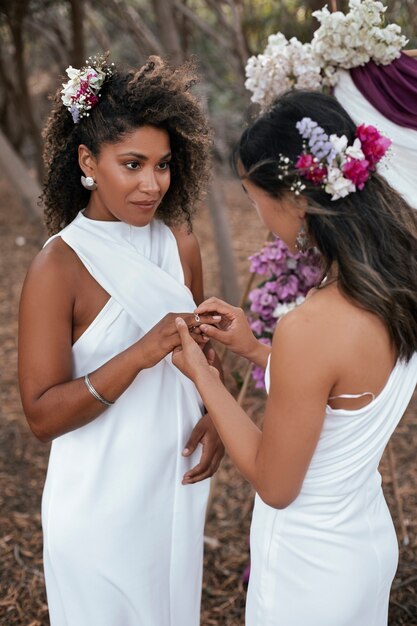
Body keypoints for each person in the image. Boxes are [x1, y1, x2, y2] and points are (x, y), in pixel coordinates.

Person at [172, 90, 417, 626]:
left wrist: (202, 375)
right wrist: (258, 350)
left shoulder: (311, 326)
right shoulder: (396, 284)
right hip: (365, 543)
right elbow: (344, 393)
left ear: (298, 199)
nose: (258, 215)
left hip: (309, 569)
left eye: (256, 197)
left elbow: (277, 484)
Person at [18, 54, 224, 626]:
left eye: (162, 165)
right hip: (97, 504)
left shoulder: (179, 243)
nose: (152, 184)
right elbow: (39, 416)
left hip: (172, 488)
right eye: (132, 164)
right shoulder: (57, 267)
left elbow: (201, 351)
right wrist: (137, 355)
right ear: (87, 160)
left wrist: (215, 412)